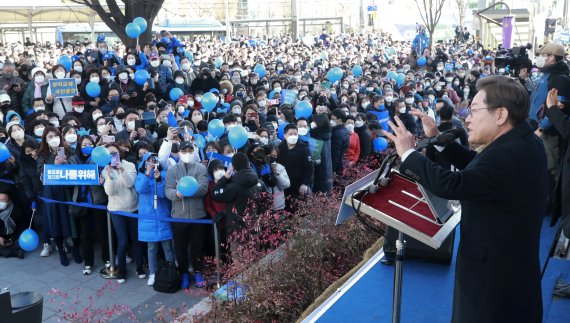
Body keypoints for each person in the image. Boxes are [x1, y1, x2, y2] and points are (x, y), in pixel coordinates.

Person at [385, 76, 547, 323]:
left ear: (501, 115)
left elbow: (453, 184)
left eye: (473, 111)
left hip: (493, 282)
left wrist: (408, 153)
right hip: (510, 271)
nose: (467, 119)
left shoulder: (508, 155)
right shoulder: (522, 142)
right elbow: (477, 166)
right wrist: (438, 139)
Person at [165, 141, 209, 290]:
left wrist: (189, 191)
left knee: (198, 247)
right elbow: (168, 191)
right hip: (179, 216)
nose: (187, 154)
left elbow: (203, 188)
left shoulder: (201, 168)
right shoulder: (172, 170)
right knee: (180, 248)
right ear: (179, 153)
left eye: (190, 150)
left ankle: (198, 272)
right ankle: (183, 273)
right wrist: (176, 194)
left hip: (198, 215)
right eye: (184, 151)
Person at [102, 143, 144, 283]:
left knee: (136, 239)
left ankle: (139, 267)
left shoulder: (129, 165)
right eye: (109, 154)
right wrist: (110, 177)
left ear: (119, 152)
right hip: (116, 209)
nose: (112, 156)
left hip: (133, 207)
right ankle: (122, 270)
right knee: (123, 240)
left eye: (114, 152)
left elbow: (130, 183)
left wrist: (121, 170)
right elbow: (110, 191)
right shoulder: (105, 169)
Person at [135, 152, 175, 286]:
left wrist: (158, 180)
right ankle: (152, 273)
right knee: (151, 248)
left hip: (162, 216)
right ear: (144, 163)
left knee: (167, 246)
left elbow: (164, 194)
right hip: (148, 218)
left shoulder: (163, 175)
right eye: (149, 161)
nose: (152, 163)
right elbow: (140, 189)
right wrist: (147, 174)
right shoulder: (141, 175)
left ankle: (172, 270)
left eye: (154, 161)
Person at [213, 152, 263, 248]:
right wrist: (259, 218)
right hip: (254, 227)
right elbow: (267, 201)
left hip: (236, 230)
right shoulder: (259, 182)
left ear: (233, 167)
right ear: (248, 164)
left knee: (240, 260)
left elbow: (216, 195)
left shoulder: (232, 187)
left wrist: (224, 179)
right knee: (256, 260)